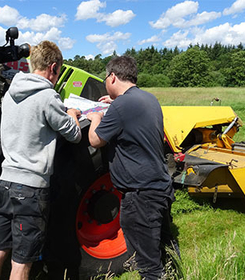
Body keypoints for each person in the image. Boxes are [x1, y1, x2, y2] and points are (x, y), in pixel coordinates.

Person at [0, 41, 82, 280]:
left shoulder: (10, 93)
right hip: (30, 191)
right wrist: (72, 113)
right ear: (54, 67)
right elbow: (74, 135)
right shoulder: (48, 97)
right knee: (22, 263)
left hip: (5, 184)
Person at [87, 56, 179, 280]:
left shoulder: (121, 106)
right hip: (159, 187)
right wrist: (113, 102)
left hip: (140, 196)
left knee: (149, 267)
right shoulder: (149, 99)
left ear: (112, 77)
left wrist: (96, 117)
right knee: (165, 253)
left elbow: (95, 141)